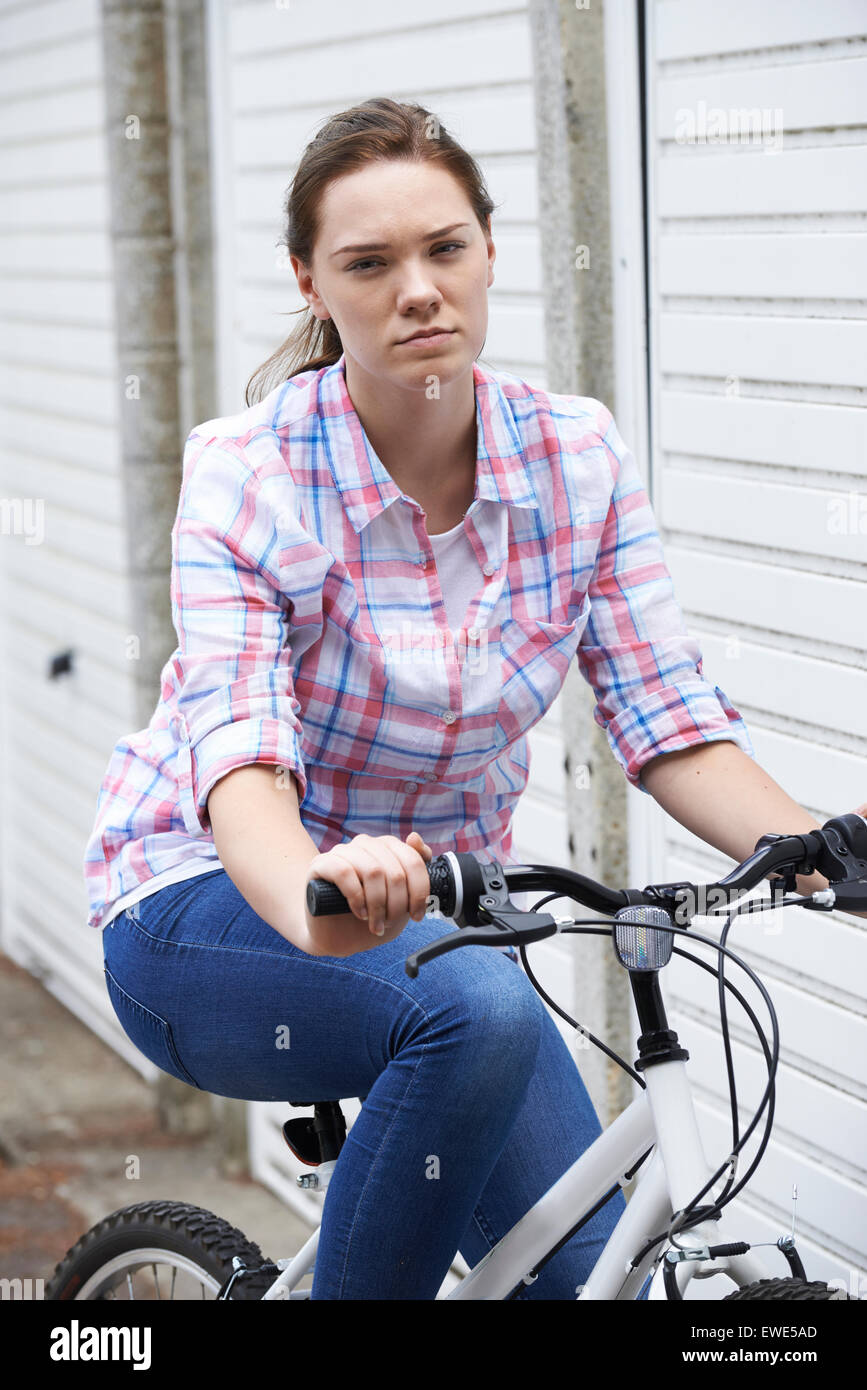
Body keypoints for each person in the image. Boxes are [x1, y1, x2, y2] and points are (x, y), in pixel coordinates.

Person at [83, 98, 863, 1300]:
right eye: (368, 263)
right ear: (310, 282)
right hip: (203, 905)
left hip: (445, 926)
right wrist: (320, 892)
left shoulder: (576, 458)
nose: (419, 290)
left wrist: (815, 852)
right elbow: (241, 766)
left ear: (490, 250)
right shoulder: (250, 474)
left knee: (589, 1278)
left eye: (445, 248)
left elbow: (667, 720)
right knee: (477, 1007)